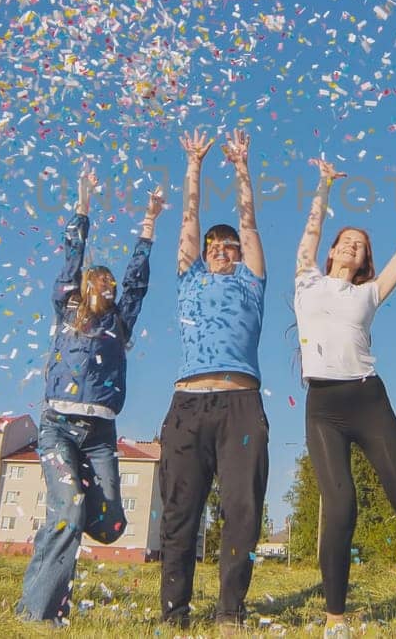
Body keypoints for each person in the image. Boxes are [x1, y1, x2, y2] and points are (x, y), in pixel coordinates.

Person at [293, 157, 396, 637]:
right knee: (340, 507)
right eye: (345, 242)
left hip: (368, 400)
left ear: (365, 261)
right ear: (330, 253)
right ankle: (335, 618)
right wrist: (323, 185)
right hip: (322, 408)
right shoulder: (306, 280)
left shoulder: (370, 293)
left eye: (360, 246)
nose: (351, 247)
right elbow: (311, 227)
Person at [19, 166, 166, 623]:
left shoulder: (119, 324)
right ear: (84, 286)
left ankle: (50, 556)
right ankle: (38, 617)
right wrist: (83, 199)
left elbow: (138, 279)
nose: (108, 286)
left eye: (111, 284)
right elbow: (72, 253)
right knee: (69, 510)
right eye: (99, 281)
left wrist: (149, 221)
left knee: (108, 525)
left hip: (101, 432)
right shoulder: (66, 310)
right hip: (58, 427)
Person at [158, 128, 269, 631]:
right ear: (203, 254)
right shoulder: (189, 278)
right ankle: (174, 614)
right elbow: (188, 218)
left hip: (240, 405)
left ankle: (229, 611)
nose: (223, 250)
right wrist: (194, 166)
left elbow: (249, 223)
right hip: (187, 405)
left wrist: (242, 167)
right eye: (214, 247)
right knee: (180, 513)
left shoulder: (250, 280)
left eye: (229, 247)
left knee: (242, 511)